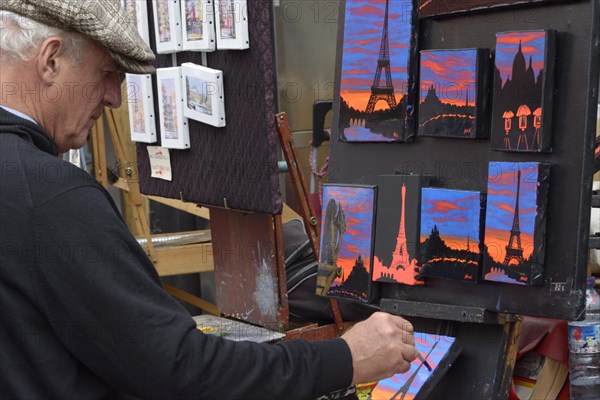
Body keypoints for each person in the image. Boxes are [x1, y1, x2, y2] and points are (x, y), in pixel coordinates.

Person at [0, 1, 418, 399]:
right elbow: (178, 369)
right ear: (51, 60)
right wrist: (347, 358)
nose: (114, 97)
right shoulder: (50, 195)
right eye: (107, 73)